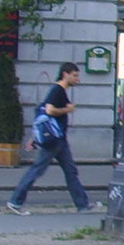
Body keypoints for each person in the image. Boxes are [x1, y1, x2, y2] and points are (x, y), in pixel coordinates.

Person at [7, 62, 101, 215]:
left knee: (70, 170)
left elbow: (43, 115)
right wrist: (67, 109)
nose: (77, 79)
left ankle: (82, 204)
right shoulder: (57, 90)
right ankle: (15, 201)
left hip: (59, 139)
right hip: (54, 140)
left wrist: (35, 137)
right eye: (75, 75)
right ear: (65, 74)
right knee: (37, 169)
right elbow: (50, 111)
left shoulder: (59, 91)